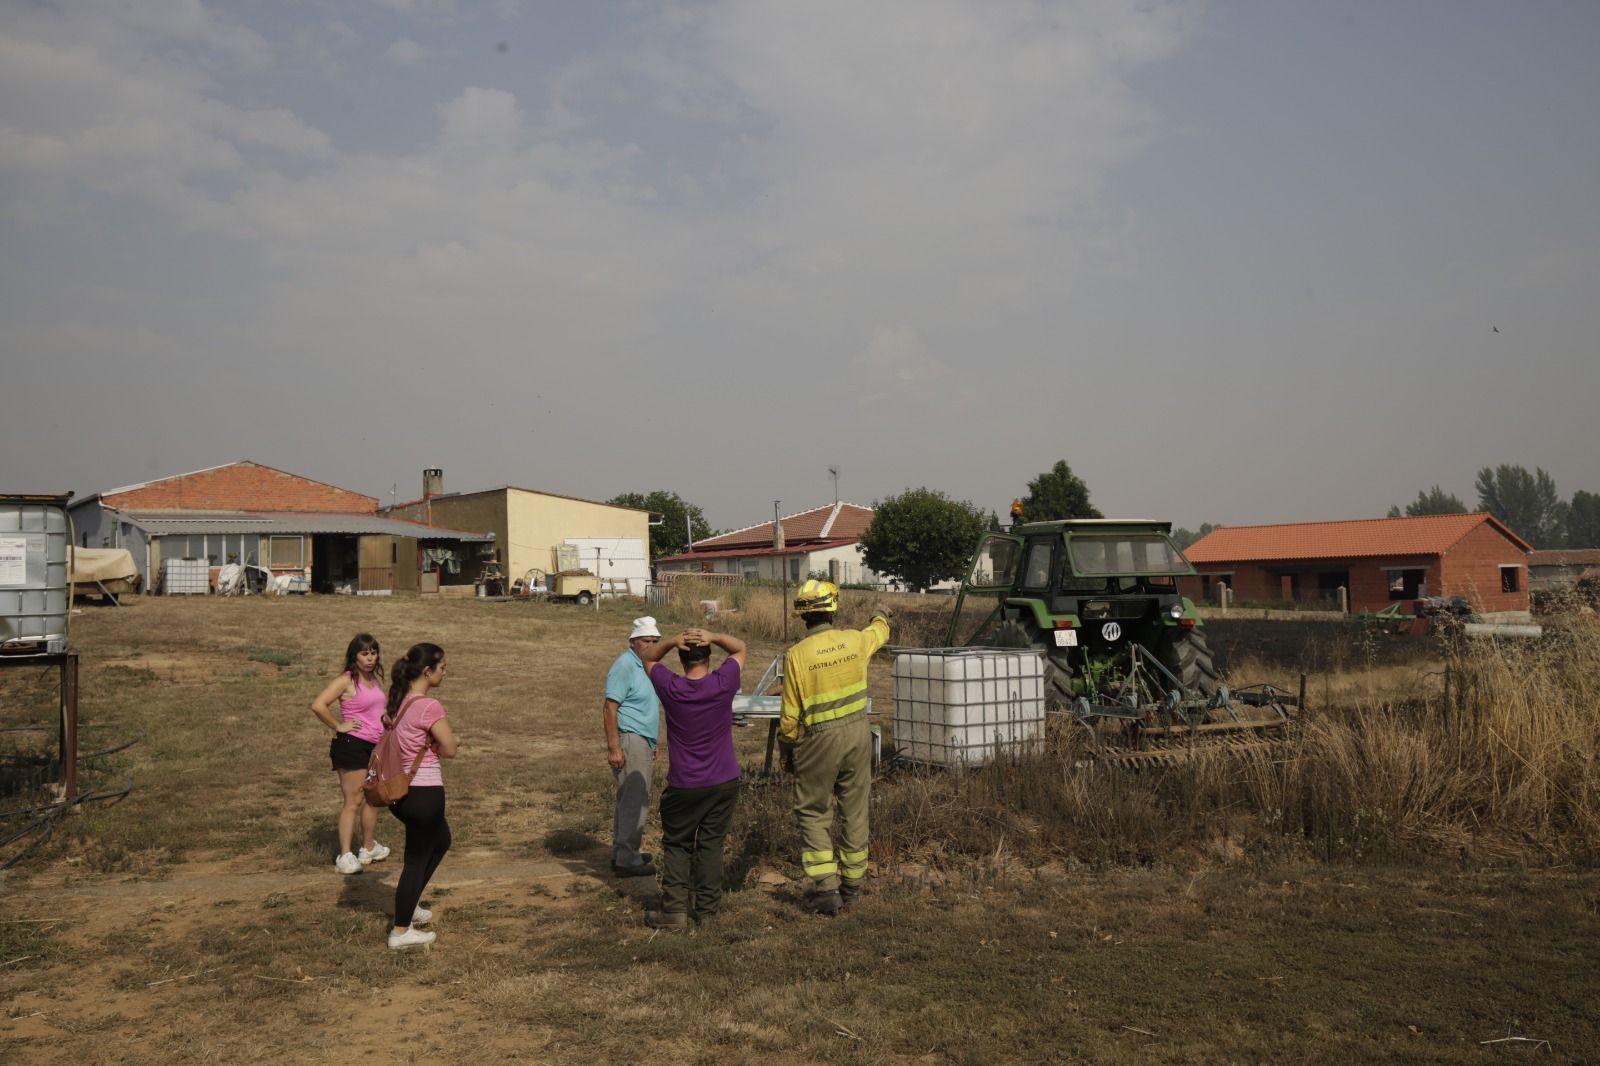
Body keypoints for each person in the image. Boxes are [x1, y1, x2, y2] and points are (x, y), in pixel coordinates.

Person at [779, 579, 891, 916]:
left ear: (802, 616)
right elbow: (880, 632)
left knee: (813, 811)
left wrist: (787, 750)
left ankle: (826, 889)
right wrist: (880, 613)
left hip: (819, 740)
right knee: (855, 810)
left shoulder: (796, 656)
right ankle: (852, 888)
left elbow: (788, 718)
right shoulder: (855, 641)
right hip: (858, 734)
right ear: (834, 608)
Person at [636, 627, 747, 929]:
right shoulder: (723, 683)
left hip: (685, 784)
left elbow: (647, 656)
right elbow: (739, 648)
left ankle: (674, 911)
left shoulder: (672, 687)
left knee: (678, 844)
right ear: (709, 657)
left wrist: (671, 641)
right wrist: (713, 635)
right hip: (724, 780)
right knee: (711, 845)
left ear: (682, 661)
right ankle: (708, 912)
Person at [384, 643, 458, 951]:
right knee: (416, 861)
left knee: (441, 841)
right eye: (442, 667)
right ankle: (401, 932)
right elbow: (450, 748)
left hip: (402, 793)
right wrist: (448, 743)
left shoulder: (400, 700)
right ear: (427, 671)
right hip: (425, 792)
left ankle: (409, 902)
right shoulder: (429, 705)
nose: (446, 671)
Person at [309, 633, 392, 875]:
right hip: (352, 745)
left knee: (373, 797)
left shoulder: (373, 680)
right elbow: (318, 704)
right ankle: (344, 855)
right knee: (353, 801)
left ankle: (367, 848)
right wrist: (338, 725)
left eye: (373, 653)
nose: (370, 658)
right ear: (354, 656)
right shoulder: (346, 680)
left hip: (375, 746)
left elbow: (376, 710)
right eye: (364, 653)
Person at [602, 617, 663, 878]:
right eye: (645, 641)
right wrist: (614, 747)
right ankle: (628, 858)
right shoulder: (625, 666)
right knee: (635, 798)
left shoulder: (647, 666)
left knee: (631, 796)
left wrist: (652, 741)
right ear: (633, 642)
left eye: (654, 641)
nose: (650, 645)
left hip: (641, 738)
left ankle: (623, 852)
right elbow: (609, 708)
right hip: (630, 737)